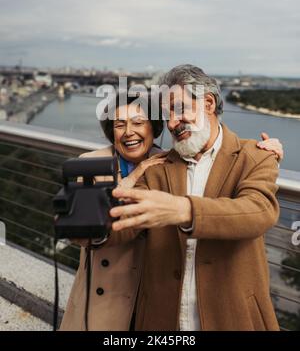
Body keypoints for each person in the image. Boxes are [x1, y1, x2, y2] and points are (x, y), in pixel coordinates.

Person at [60, 83, 283, 331]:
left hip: (216, 310)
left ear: (208, 104)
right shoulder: (151, 167)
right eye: (169, 114)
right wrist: (86, 225)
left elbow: (259, 209)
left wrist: (182, 209)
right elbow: (116, 225)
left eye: (180, 109)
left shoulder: (253, 154)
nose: (174, 122)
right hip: (136, 306)